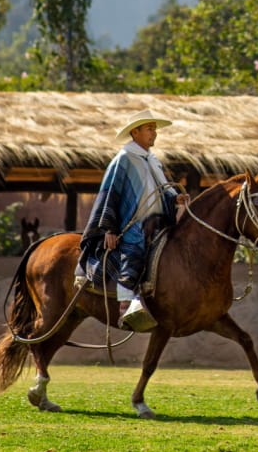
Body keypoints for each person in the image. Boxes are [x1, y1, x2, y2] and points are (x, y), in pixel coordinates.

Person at [80, 110, 188, 332]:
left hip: (158, 223)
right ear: (135, 132)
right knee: (134, 251)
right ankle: (126, 305)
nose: (154, 133)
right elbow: (111, 193)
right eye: (149, 129)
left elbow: (161, 190)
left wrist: (174, 198)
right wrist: (109, 228)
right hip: (132, 225)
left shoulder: (153, 160)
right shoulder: (124, 159)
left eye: (154, 129)